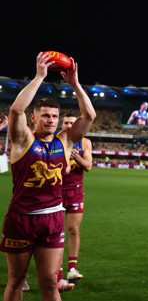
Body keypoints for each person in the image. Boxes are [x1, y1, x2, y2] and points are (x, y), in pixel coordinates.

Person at [0, 52, 96, 301]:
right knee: (16, 279)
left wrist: (75, 85)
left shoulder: (64, 141)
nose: (51, 120)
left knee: (51, 282)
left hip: (52, 218)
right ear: (34, 118)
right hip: (21, 218)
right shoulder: (23, 140)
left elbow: (89, 117)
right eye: (45, 115)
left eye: (54, 116)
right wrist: (40, 77)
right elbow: (16, 109)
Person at [58, 113, 93, 283]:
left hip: (76, 191)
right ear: (61, 124)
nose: (69, 126)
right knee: (57, 233)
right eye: (66, 122)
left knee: (73, 230)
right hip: (55, 191)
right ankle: (57, 271)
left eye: (73, 123)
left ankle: (72, 268)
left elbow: (88, 166)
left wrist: (75, 156)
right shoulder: (55, 141)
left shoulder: (85, 142)